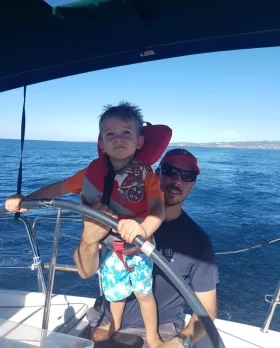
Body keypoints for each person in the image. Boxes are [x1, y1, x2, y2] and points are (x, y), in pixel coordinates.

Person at [5, 148, 218, 348]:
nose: (177, 180)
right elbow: (85, 271)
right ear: (157, 173)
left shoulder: (198, 242)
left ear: (193, 184)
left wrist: (182, 341)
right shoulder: (114, 214)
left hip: (162, 333)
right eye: (171, 171)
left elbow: (207, 310)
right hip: (105, 321)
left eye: (187, 176)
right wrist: (89, 239)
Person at [79, 102, 165, 348]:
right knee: (115, 295)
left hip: (140, 248)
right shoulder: (90, 175)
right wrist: (26, 200)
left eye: (126, 132)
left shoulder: (147, 176)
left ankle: (154, 337)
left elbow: (158, 207)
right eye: (110, 134)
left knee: (144, 295)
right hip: (111, 250)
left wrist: (145, 229)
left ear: (139, 141)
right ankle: (114, 324)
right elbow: (60, 188)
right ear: (102, 143)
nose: (118, 139)